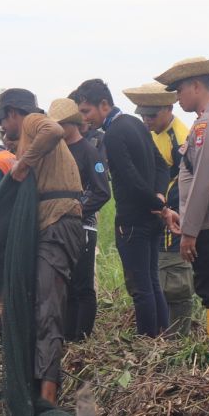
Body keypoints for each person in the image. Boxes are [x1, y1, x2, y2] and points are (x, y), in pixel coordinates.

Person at [0, 88, 85, 408]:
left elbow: (54, 129)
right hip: (48, 226)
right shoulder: (21, 138)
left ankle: (48, 396)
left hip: (59, 223)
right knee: (36, 306)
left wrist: (24, 162)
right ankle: (35, 383)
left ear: (14, 113)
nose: (3, 128)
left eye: (4, 121)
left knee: (48, 309)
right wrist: (15, 148)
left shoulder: (35, 120)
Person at [155, 56, 209, 339]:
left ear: (196, 86)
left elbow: (203, 181)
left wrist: (189, 233)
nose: (177, 98)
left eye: (179, 90)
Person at [78, 78, 172, 337]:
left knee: (141, 289)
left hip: (133, 221)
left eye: (87, 111)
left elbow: (130, 181)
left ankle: (148, 343)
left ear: (104, 104)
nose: (85, 119)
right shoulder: (134, 123)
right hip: (151, 219)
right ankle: (163, 339)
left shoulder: (115, 133)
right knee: (152, 282)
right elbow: (161, 166)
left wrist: (157, 204)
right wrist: (160, 199)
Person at [124, 82, 196, 335]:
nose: (146, 119)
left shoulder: (181, 137)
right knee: (155, 280)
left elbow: (185, 184)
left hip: (172, 221)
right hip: (154, 219)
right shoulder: (149, 133)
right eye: (142, 114)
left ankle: (178, 338)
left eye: (152, 115)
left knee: (175, 283)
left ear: (169, 107)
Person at [49, 97, 111, 341]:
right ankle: (66, 334)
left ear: (71, 124)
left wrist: (77, 209)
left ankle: (81, 337)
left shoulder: (88, 151)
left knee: (83, 284)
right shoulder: (56, 150)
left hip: (83, 226)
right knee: (66, 282)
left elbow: (102, 191)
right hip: (60, 226)